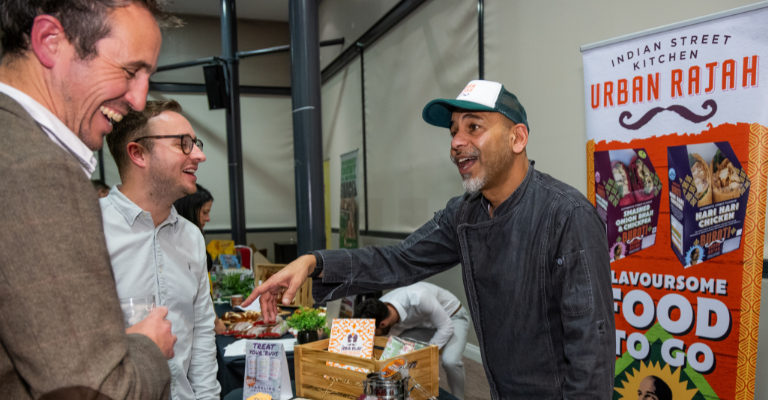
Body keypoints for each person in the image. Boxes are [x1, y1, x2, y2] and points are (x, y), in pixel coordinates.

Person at [246, 80, 615, 399]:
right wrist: (314, 262)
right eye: (453, 131)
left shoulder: (567, 216)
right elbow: (398, 260)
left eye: (473, 127)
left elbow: (591, 349)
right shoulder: (464, 213)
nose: (456, 142)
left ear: (517, 138)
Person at [0, 1, 179, 399]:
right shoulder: (39, 170)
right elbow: (97, 390)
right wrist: (147, 346)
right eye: (130, 71)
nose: (139, 100)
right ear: (50, 41)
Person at [101, 100, 220, 400]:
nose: (199, 155)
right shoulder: (91, 230)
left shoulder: (191, 237)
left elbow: (202, 334)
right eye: (183, 144)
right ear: (138, 153)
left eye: (196, 144)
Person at [355, 282, 470, 399]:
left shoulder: (419, 297)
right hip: (423, 325)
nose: (373, 335)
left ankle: (458, 397)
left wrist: (424, 353)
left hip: (453, 317)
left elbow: (446, 327)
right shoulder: (378, 309)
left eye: (373, 332)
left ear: (383, 324)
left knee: (450, 361)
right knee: (398, 350)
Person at [174, 183, 227, 335]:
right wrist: (215, 322)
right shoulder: (181, 245)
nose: (208, 218)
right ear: (190, 210)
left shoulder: (194, 238)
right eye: (204, 212)